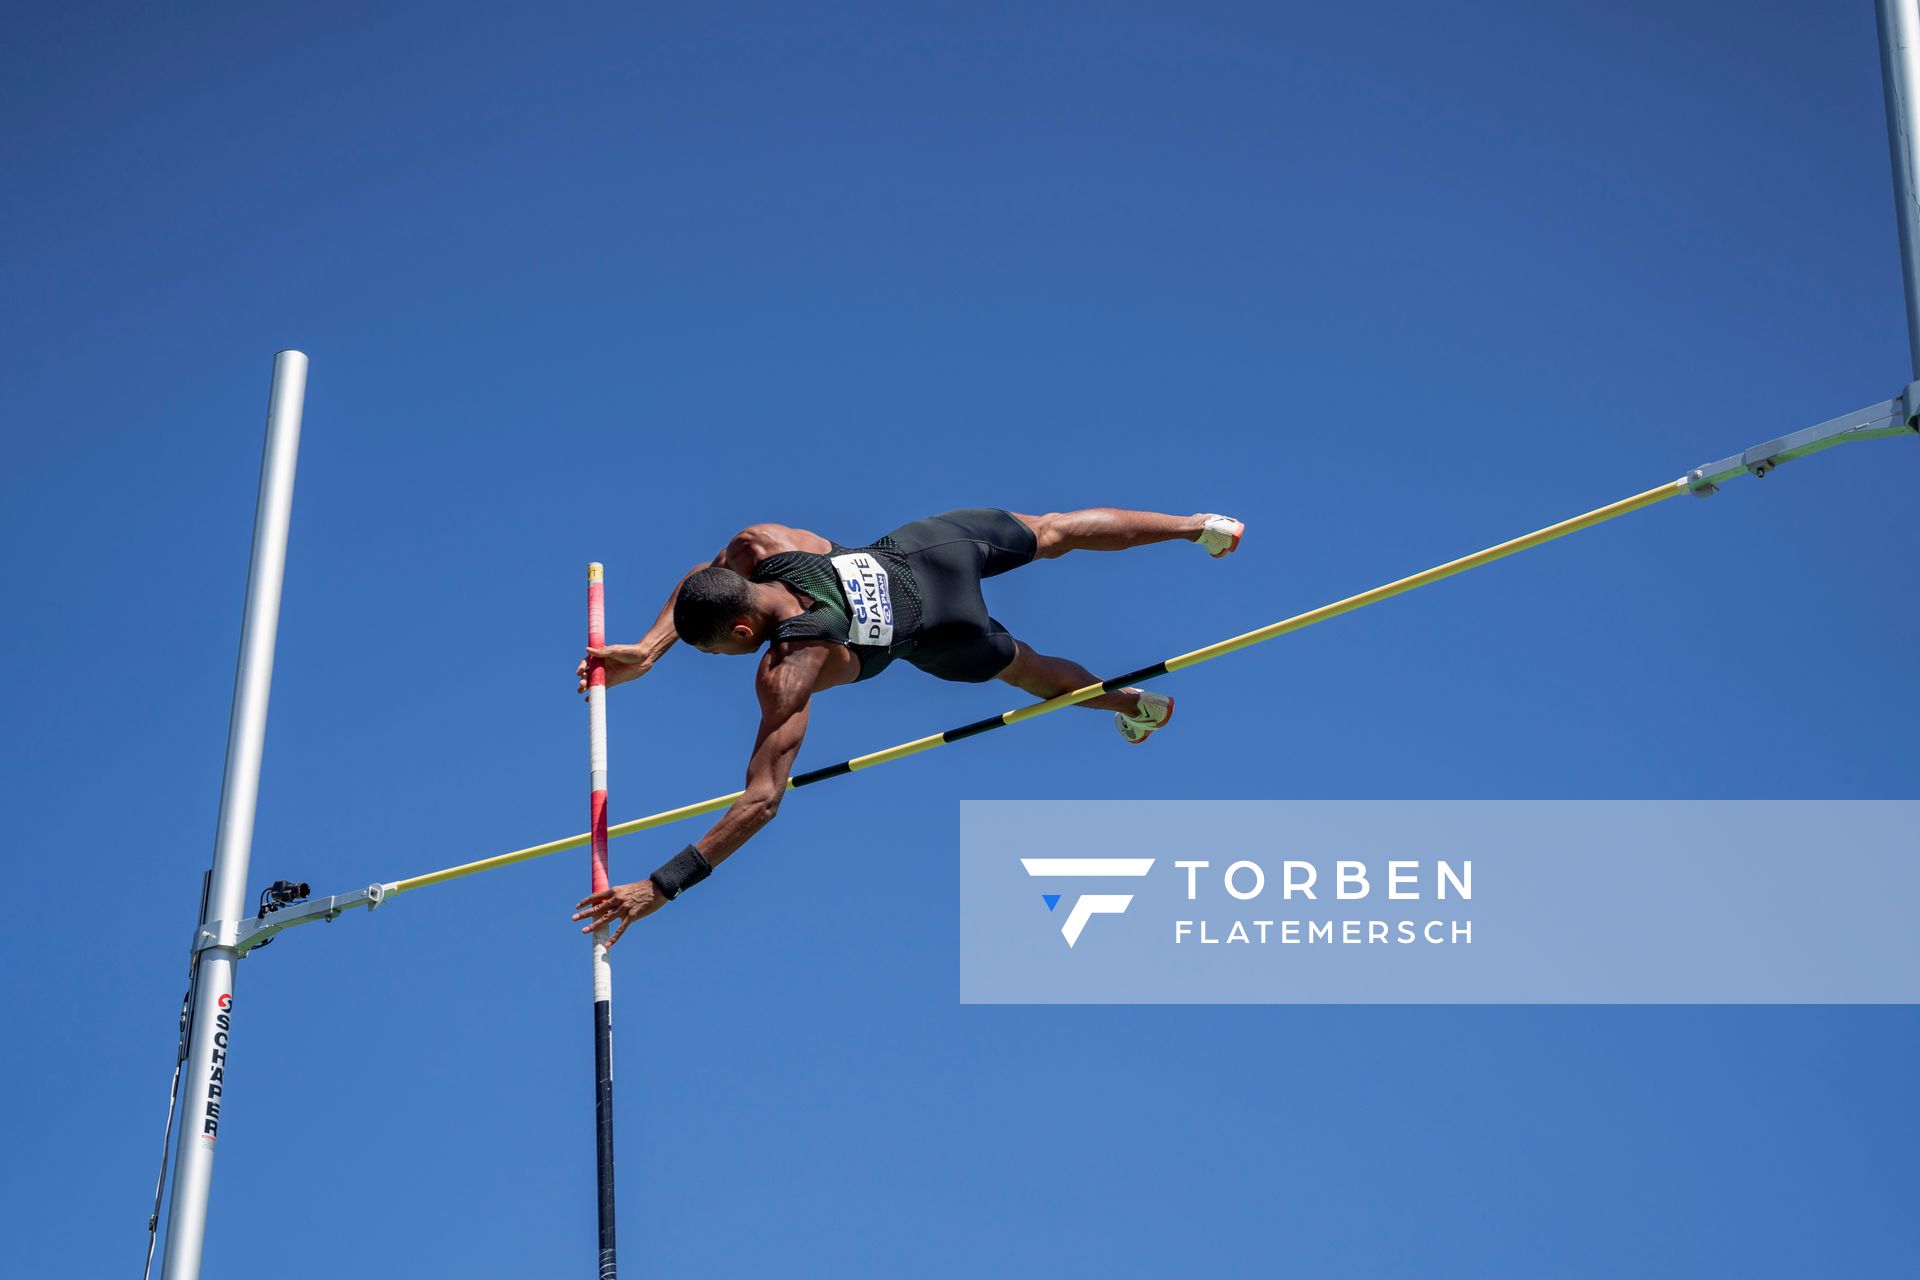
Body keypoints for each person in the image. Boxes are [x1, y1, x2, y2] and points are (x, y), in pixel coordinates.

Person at [571, 507, 1244, 943]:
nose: (721, 658)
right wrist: (650, 650)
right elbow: (703, 576)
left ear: (744, 627)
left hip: (938, 631)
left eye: (715, 649)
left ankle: (1135, 707)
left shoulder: (788, 667)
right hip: (928, 551)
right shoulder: (763, 544)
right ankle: (1201, 527)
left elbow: (762, 802)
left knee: (1029, 671)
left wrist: (659, 885)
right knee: (1055, 531)